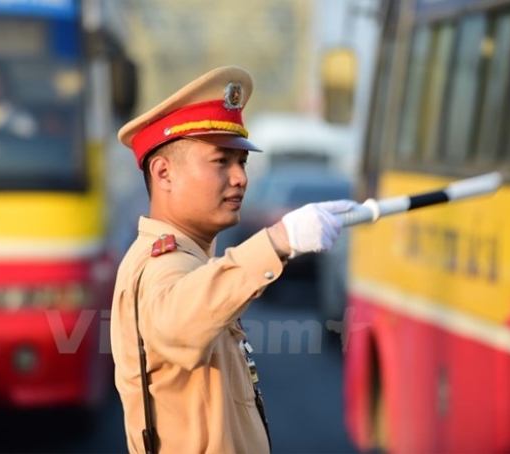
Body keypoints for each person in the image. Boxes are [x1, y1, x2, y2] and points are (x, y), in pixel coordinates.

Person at [110, 66, 355, 454]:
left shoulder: (191, 259)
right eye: (221, 161)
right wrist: (278, 240)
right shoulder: (163, 264)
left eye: (241, 162)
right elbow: (177, 324)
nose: (240, 177)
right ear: (163, 172)